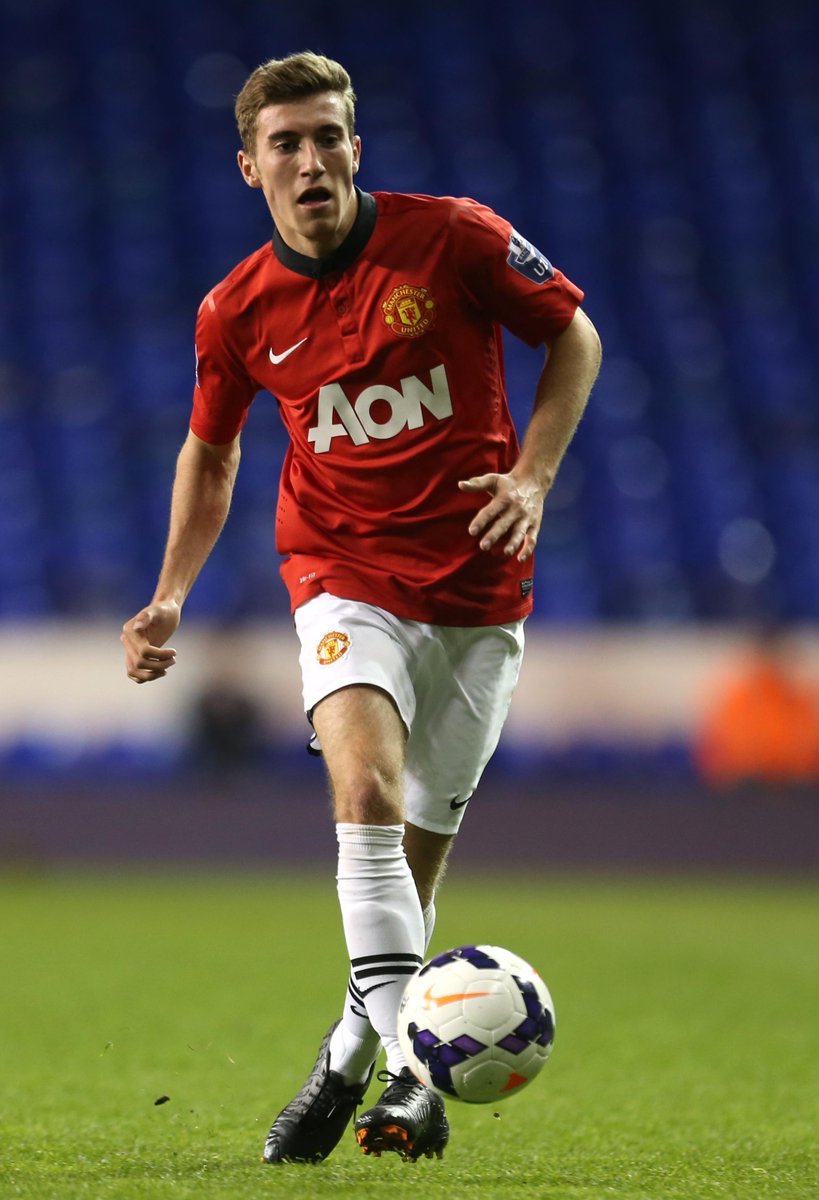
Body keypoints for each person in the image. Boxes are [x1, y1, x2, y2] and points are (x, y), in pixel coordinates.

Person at [121, 51, 601, 1165]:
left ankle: (347, 1060)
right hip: (339, 571)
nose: (310, 160)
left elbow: (572, 335)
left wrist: (532, 477)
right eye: (284, 143)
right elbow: (210, 454)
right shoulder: (236, 310)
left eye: (326, 136)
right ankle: (415, 1082)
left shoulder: (455, 237)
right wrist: (169, 595)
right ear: (251, 168)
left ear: (354, 147)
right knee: (365, 792)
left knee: (410, 870)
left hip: (479, 590)